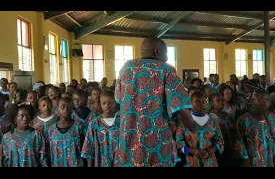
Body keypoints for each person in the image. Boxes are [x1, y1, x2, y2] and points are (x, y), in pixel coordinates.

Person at [115, 37, 198, 167]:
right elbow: (180, 107)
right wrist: (193, 130)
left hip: (128, 143)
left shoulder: (126, 68)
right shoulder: (166, 69)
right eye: (166, 54)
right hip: (156, 143)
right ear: (157, 51)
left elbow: (118, 100)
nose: (166, 58)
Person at [235, 89, 275, 167]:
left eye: (267, 99)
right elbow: (239, 141)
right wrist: (245, 159)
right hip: (252, 160)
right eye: (261, 99)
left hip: (272, 159)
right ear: (252, 101)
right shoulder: (244, 120)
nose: (265, 102)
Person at [175, 91, 224, 167]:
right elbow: (178, 143)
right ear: (191, 103)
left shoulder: (212, 121)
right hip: (191, 162)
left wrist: (211, 150)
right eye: (197, 102)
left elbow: (220, 141)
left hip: (209, 162)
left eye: (203, 101)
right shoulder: (184, 121)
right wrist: (193, 151)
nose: (201, 104)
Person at [81, 91, 120, 167]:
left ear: (115, 103)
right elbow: (89, 148)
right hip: (101, 162)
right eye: (104, 103)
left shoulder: (121, 121)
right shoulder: (94, 123)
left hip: (119, 161)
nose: (107, 106)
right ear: (100, 103)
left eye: (111, 103)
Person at [48, 97, 86, 167]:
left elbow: (86, 149)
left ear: (72, 109)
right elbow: (50, 151)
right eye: (62, 107)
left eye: (69, 107)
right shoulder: (51, 129)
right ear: (57, 109)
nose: (65, 109)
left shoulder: (79, 127)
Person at [209, 93, 238, 167]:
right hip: (218, 150)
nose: (221, 102)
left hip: (231, 148)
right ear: (211, 103)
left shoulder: (228, 116)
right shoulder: (209, 119)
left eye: (222, 100)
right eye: (218, 101)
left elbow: (235, 132)